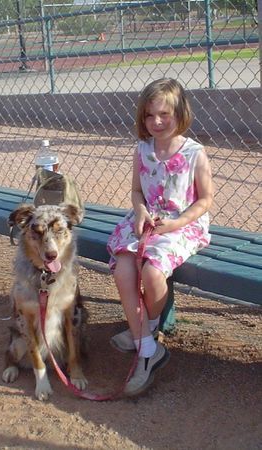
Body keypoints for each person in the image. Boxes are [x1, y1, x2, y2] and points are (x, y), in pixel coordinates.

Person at [107, 78, 213, 396]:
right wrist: (139, 212)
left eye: (164, 114)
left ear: (180, 113)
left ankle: (144, 332)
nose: (156, 122)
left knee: (153, 272)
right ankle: (147, 346)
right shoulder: (143, 149)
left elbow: (205, 200)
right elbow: (137, 191)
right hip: (146, 220)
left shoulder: (195, 153)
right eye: (149, 115)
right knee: (124, 268)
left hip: (181, 225)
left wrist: (177, 221)